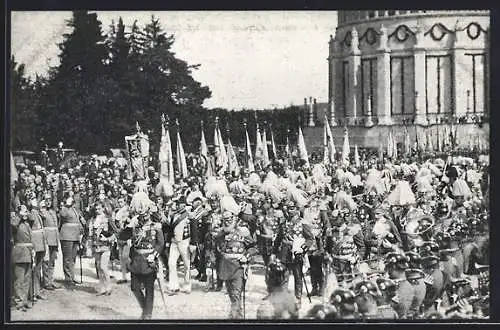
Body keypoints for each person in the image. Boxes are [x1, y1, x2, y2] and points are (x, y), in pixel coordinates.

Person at [121, 208, 164, 319]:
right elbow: (122, 236)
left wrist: (154, 255)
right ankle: (145, 308)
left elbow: (160, 244)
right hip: (136, 261)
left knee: (149, 289)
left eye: (145, 215)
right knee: (134, 287)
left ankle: (148, 313)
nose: (143, 218)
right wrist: (129, 226)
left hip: (149, 261)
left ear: (149, 215)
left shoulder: (155, 227)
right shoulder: (134, 227)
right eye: (141, 216)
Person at [216, 210, 258, 319]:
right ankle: (237, 313)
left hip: (239, 266)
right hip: (226, 266)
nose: (228, 221)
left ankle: (235, 317)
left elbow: (254, 248)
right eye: (225, 219)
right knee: (231, 294)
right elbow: (216, 248)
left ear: (234, 219)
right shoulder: (221, 233)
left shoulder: (243, 231)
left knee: (236, 293)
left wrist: (246, 256)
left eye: (230, 218)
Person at [166, 196, 192, 294]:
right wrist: (168, 242)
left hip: (185, 242)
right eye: (177, 203)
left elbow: (193, 230)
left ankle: (187, 284)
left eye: (179, 203)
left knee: (187, 264)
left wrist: (193, 243)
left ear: (184, 205)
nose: (177, 205)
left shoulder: (189, 215)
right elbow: (170, 229)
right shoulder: (174, 215)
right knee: (171, 263)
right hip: (174, 242)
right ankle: (174, 286)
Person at [59, 196, 86, 288]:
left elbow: (78, 221)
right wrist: (66, 205)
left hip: (75, 236)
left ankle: (72, 276)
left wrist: (81, 229)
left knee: (73, 258)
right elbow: (62, 215)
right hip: (66, 236)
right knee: (67, 258)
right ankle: (68, 279)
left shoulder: (75, 210)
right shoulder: (64, 208)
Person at [11, 205, 34, 311]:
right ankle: (18, 301)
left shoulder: (27, 223)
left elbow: (32, 218)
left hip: (28, 253)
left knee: (26, 278)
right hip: (20, 253)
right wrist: (20, 214)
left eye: (26, 212)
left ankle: (24, 300)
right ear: (19, 213)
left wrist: (26, 211)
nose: (26, 214)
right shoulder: (16, 223)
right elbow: (13, 224)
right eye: (24, 212)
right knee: (19, 279)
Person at [92, 203, 115, 295]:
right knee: (98, 267)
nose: (98, 211)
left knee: (103, 267)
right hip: (97, 246)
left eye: (99, 208)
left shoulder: (108, 219)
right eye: (96, 209)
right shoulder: (94, 220)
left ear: (103, 208)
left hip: (105, 246)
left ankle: (108, 286)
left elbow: (115, 233)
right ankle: (102, 287)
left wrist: (107, 239)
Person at [39, 198, 62, 290]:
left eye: (50, 200)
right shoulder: (42, 212)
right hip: (47, 239)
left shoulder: (53, 211)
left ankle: (50, 280)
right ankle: (46, 282)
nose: (48, 202)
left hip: (54, 239)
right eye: (46, 200)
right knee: (46, 261)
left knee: (52, 261)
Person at [28, 198, 47, 301]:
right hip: (35, 244)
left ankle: (37, 290)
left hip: (40, 244)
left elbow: (44, 217)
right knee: (34, 269)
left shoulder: (38, 213)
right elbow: (31, 220)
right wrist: (33, 208)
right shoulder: (31, 213)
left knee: (38, 268)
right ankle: (33, 293)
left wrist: (39, 208)